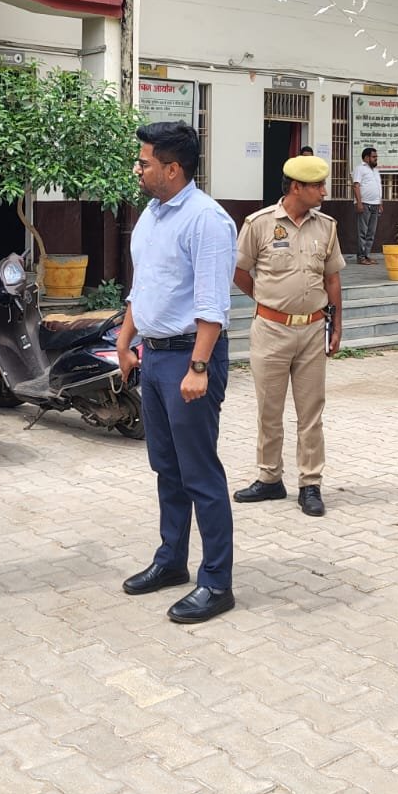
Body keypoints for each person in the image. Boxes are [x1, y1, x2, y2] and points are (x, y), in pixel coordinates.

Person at [115, 121, 238, 624]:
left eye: (144, 162)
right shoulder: (152, 213)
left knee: (199, 473)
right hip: (155, 355)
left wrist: (200, 367)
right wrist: (125, 340)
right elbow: (144, 285)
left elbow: (213, 303)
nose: (137, 169)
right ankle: (171, 561)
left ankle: (217, 582)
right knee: (166, 468)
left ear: (172, 168)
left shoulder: (207, 220)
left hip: (192, 357)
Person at [232, 155, 345, 517]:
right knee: (269, 409)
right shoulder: (259, 224)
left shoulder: (326, 226)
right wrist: (268, 301)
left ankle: (310, 484)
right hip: (270, 331)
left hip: (313, 329)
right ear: (297, 187)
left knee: (311, 411)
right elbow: (240, 271)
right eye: (318, 186)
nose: (324, 192)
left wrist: (336, 324)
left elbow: (332, 278)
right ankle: (269, 479)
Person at [352, 146, 382, 264]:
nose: (376, 159)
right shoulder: (360, 168)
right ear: (366, 157)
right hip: (364, 204)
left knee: (371, 232)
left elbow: (379, 187)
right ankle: (361, 257)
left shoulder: (375, 170)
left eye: (376, 157)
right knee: (363, 232)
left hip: (375, 204)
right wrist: (359, 203)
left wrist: (380, 203)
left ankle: (367, 255)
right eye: (373, 157)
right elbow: (356, 185)